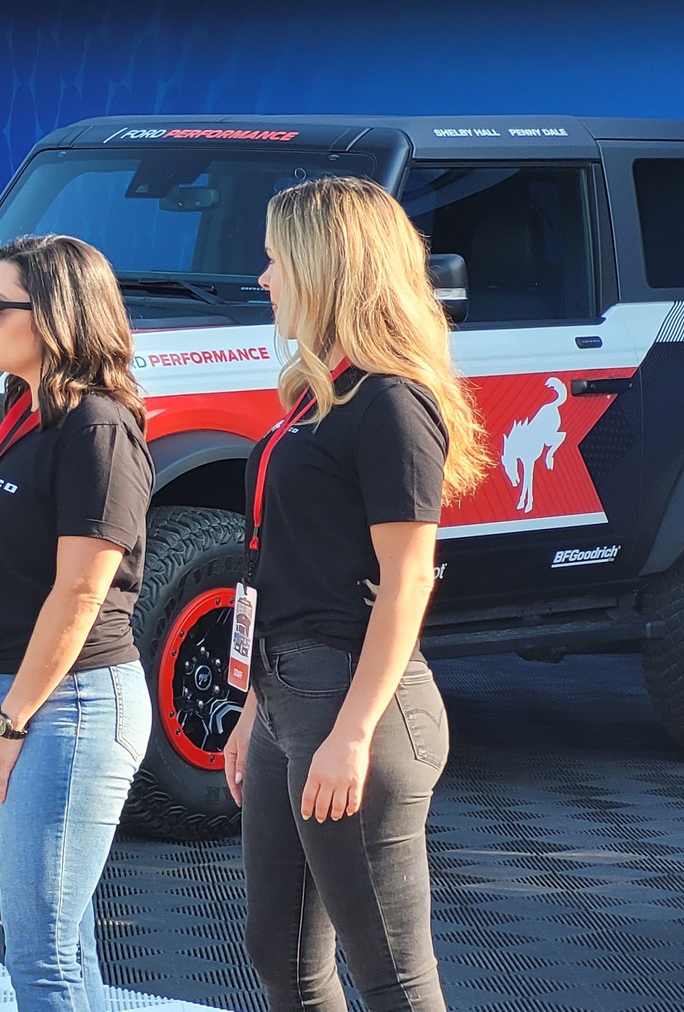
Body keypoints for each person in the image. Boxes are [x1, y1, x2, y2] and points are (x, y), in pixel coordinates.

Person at [221, 176, 489, 1012]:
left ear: (325, 266)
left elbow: (408, 581)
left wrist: (353, 733)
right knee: (282, 954)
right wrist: (255, 710)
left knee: (392, 979)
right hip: (292, 697)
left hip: (355, 702)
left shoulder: (392, 404)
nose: (263, 279)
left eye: (274, 261)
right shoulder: (319, 393)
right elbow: (288, 566)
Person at [0, 234, 154, 1012]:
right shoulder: (22, 413)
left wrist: (13, 721)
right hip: (0, 699)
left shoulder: (98, 428)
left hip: (67, 707)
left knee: (42, 960)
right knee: (64, 948)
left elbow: (82, 594)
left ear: (54, 316)